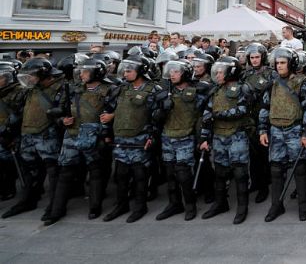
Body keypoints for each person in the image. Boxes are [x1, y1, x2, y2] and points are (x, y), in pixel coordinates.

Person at [45, 58, 117, 225]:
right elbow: (58, 110)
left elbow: (115, 114)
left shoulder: (110, 90)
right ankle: (56, 210)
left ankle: (94, 207)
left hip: (94, 137)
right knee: (65, 172)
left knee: (96, 172)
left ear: (96, 73)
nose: (81, 74)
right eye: (81, 71)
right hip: (71, 135)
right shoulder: (72, 89)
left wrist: (107, 133)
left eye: (85, 71)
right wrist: (62, 120)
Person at [2, 58, 68, 220]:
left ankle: (55, 206)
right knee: (28, 171)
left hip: (48, 135)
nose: (28, 79)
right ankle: (28, 201)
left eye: (31, 75)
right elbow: (20, 110)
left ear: (43, 73)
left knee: (53, 172)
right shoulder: (31, 89)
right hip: (27, 135)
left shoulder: (62, 87)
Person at [102, 56, 167, 223]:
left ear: (141, 71)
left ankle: (140, 207)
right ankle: (121, 205)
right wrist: (107, 133)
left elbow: (157, 117)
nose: (125, 73)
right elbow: (109, 111)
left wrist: (152, 138)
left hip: (141, 139)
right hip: (121, 139)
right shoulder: (120, 89)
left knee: (140, 175)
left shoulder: (153, 90)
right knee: (121, 174)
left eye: (129, 70)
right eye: (125, 70)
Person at [260, 47, 306, 222]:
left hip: (295, 130)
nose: (279, 66)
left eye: (283, 63)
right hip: (276, 131)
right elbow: (264, 108)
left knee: (300, 169)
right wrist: (262, 130)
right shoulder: (272, 84)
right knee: (276, 170)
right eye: (277, 63)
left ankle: (303, 206)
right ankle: (276, 206)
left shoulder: (303, 83)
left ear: (291, 64)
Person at [153, 60, 210, 221]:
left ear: (185, 73)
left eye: (176, 72)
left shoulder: (197, 91)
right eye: (170, 72)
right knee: (170, 174)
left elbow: (202, 116)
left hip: (186, 137)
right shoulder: (165, 93)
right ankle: (174, 204)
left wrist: (202, 138)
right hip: (168, 137)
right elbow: (154, 117)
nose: (172, 74)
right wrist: (162, 110)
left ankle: (190, 205)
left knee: (184, 174)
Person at [199, 56, 252, 224]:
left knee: (240, 172)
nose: (218, 74)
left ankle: (242, 208)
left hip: (237, 135)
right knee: (220, 172)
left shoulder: (242, 88)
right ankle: (220, 203)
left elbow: (243, 109)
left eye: (222, 71)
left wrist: (219, 115)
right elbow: (207, 115)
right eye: (217, 71)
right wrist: (204, 137)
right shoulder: (215, 90)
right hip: (218, 136)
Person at [241, 43, 272, 204]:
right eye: (252, 57)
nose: (254, 60)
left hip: (264, 116)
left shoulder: (269, 73)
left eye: (257, 57)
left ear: (263, 57)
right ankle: (255, 182)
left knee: (263, 154)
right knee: (252, 154)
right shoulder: (245, 74)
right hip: (249, 117)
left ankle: (264, 186)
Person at [0, 62, 28, 202]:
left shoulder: (19, 92)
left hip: (11, 133)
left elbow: (19, 114)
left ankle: (9, 188)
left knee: (10, 163)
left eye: (1, 77)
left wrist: (9, 133)